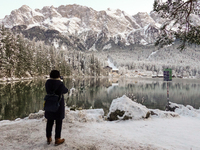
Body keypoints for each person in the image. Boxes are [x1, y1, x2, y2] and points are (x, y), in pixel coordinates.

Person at [44, 70, 68, 146]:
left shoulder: (47, 82)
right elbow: (65, 90)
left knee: (49, 121)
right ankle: (57, 139)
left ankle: (48, 137)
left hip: (49, 103)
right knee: (58, 122)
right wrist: (61, 81)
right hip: (58, 104)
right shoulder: (60, 83)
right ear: (58, 76)